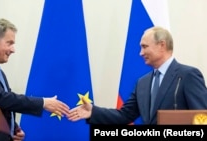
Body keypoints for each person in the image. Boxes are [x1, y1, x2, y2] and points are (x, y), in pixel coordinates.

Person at [0, 18, 70, 141]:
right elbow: (1, 98)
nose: (13, 50)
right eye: (9, 43)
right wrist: (43, 103)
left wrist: (11, 128)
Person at [67, 26, 207, 125]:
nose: (140, 53)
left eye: (144, 46)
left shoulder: (188, 75)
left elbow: (202, 117)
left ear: (162, 45)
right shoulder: (143, 82)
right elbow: (125, 115)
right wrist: (93, 112)